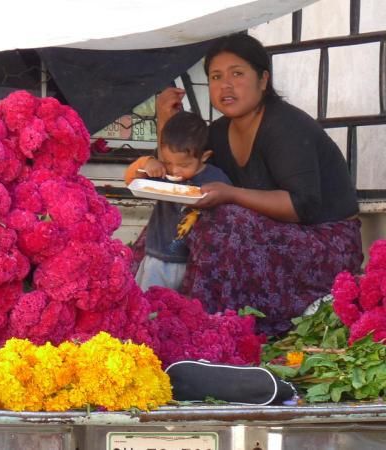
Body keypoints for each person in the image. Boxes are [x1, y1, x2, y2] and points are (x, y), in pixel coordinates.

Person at [130, 33, 363, 336]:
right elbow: (182, 171)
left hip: (326, 242)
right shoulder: (217, 133)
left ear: (263, 80)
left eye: (237, 74)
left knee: (225, 218)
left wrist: (232, 194)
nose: (226, 85)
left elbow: (301, 206)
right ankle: (144, 305)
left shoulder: (286, 126)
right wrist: (165, 121)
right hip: (266, 233)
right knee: (173, 210)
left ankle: (208, 327)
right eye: (216, 76)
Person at [125, 111, 231, 291]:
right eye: (168, 162)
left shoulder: (214, 178)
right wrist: (147, 163)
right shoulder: (162, 172)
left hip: (194, 261)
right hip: (157, 256)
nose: (174, 171)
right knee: (151, 308)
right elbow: (131, 180)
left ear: (203, 157)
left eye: (183, 165)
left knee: (185, 310)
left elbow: (228, 208)